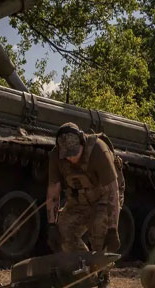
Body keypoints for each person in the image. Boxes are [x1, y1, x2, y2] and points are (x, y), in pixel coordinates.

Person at [46, 122, 122, 288]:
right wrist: (52, 225)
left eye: (74, 153)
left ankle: (103, 276)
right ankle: (86, 273)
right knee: (64, 231)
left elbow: (113, 192)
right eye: (67, 155)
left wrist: (113, 229)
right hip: (79, 200)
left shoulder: (98, 151)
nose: (71, 158)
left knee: (100, 229)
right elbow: (53, 192)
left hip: (104, 198)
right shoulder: (56, 156)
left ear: (82, 142)